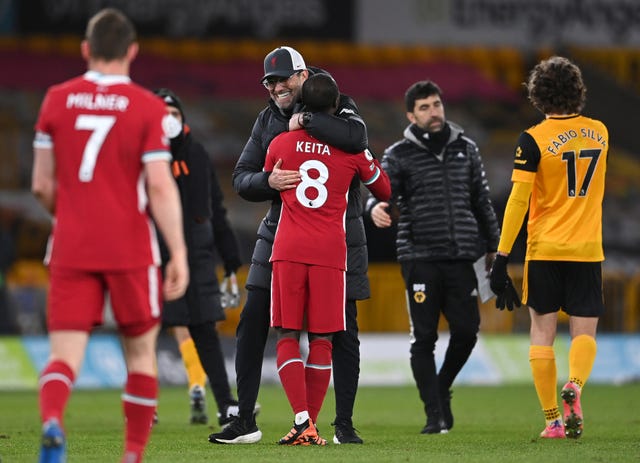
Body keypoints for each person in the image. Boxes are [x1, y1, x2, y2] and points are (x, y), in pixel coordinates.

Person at [31, 8, 189, 463]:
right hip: (130, 249)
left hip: (71, 245)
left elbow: (42, 185)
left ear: (86, 49)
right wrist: (176, 250)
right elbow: (159, 185)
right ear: (133, 51)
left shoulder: (56, 99)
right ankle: (132, 456)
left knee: (64, 355)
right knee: (140, 355)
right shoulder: (147, 107)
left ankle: (53, 421)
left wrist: (74, 215)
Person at [208, 46, 369, 445]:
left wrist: (305, 120)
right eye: (270, 81)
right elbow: (242, 177)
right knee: (252, 321)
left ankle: (342, 425)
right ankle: (245, 419)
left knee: (343, 331)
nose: (277, 87)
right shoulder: (266, 121)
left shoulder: (337, 104)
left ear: (303, 77)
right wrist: (269, 182)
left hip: (340, 235)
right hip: (280, 234)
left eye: (284, 79)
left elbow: (358, 137)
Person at [367, 80, 500, 434]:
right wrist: (375, 206)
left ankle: (441, 388)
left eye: (437, 104)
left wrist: (495, 249)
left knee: (468, 332)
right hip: (420, 257)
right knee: (424, 338)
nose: (433, 111)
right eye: (424, 107)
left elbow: (481, 202)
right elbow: (383, 190)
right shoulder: (397, 154)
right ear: (411, 115)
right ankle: (433, 414)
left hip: (461, 256)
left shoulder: (467, 148)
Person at [265, 74, 391, 446]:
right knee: (323, 338)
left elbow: (267, 173)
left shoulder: (281, 142)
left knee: (287, 334)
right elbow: (383, 188)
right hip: (330, 254)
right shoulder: (352, 150)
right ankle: (311, 425)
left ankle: (301, 420)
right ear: (337, 108)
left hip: (287, 248)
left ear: (304, 107)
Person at [489, 56, 608, 440]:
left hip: (544, 250)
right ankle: (575, 383)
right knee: (584, 333)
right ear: (577, 91)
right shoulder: (601, 133)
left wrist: (502, 255)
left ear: (537, 95)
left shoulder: (533, 139)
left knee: (542, 335)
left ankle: (553, 421)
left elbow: (518, 202)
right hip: (587, 250)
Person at [152, 88, 245, 427]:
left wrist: (230, 255)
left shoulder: (198, 154)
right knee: (146, 331)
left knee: (205, 328)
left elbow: (216, 209)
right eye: (162, 114)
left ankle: (225, 404)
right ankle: (146, 403)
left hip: (198, 256)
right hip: (156, 255)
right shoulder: (143, 155)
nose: (169, 120)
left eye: (173, 114)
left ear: (182, 118)